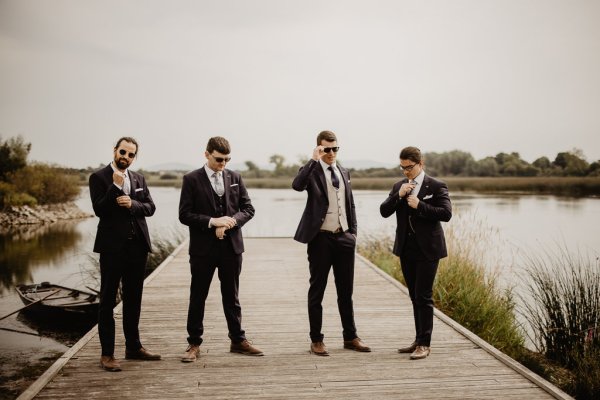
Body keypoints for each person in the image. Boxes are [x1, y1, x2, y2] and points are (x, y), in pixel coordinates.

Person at [179, 136, 263, 362]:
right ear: (206, 154)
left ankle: (237, 340)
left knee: (232, 297)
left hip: (231, 248)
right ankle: (193, 344)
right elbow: (184, 214)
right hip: (202, 250)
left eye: (227, 159)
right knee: (198, 296)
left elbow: (248, 209)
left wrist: (230, 222)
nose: (223, 164)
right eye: (218, 159)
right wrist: (212, 221)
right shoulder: (191, 179)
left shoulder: (235, 177)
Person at [292, 130, 371, 356]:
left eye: (335, 148)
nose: (332, 153)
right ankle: (316, 340)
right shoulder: (311, 170)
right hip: (320, 239)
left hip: (344, 238)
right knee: (317, 290)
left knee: (346, 292)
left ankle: (350, 337)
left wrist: (353, 233)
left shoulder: (344, 171)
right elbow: (297, 185)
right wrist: (313, 160)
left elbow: (350, 204)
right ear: (319, 148)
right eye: (327, 149)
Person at [89, 137, 161, 372]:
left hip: (137, 247)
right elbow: (99, 210)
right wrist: (115, 187)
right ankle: (107, 355)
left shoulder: (139, 178)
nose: (126, 158)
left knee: (134, 299)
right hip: (111, 249)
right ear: (114, 151)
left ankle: (133, 347)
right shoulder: (98, 177)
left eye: (131, 155)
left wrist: (132, 204)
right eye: (123, 152)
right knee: (107, 301)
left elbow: (150, 207)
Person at [380, 146, 452, 360]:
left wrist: (420, 205)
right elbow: (384, 211)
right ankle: (418, 339)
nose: (405, 172)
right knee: (414, 296)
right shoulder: (398, 185)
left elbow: (446, 214)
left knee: (424, 296)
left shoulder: (436, 186)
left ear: (420, 164)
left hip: (428, 250)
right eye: (402, 168)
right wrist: (398, 196)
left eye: (409, 168)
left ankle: (425, 344)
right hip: (406, 249)